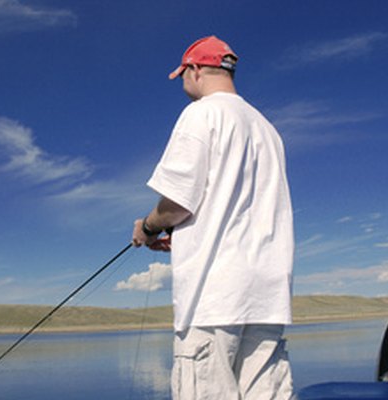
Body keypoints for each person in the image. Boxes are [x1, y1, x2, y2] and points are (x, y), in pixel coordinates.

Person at [131, 35, 295, 400]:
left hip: (214, 299)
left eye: (184, 76)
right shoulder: (268, 130)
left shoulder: (202, 113)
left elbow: (176, 204)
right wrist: (185, 236)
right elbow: (237, 209)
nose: (184, 85)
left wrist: (148, 226)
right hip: (267, 296)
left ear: (193, 69)